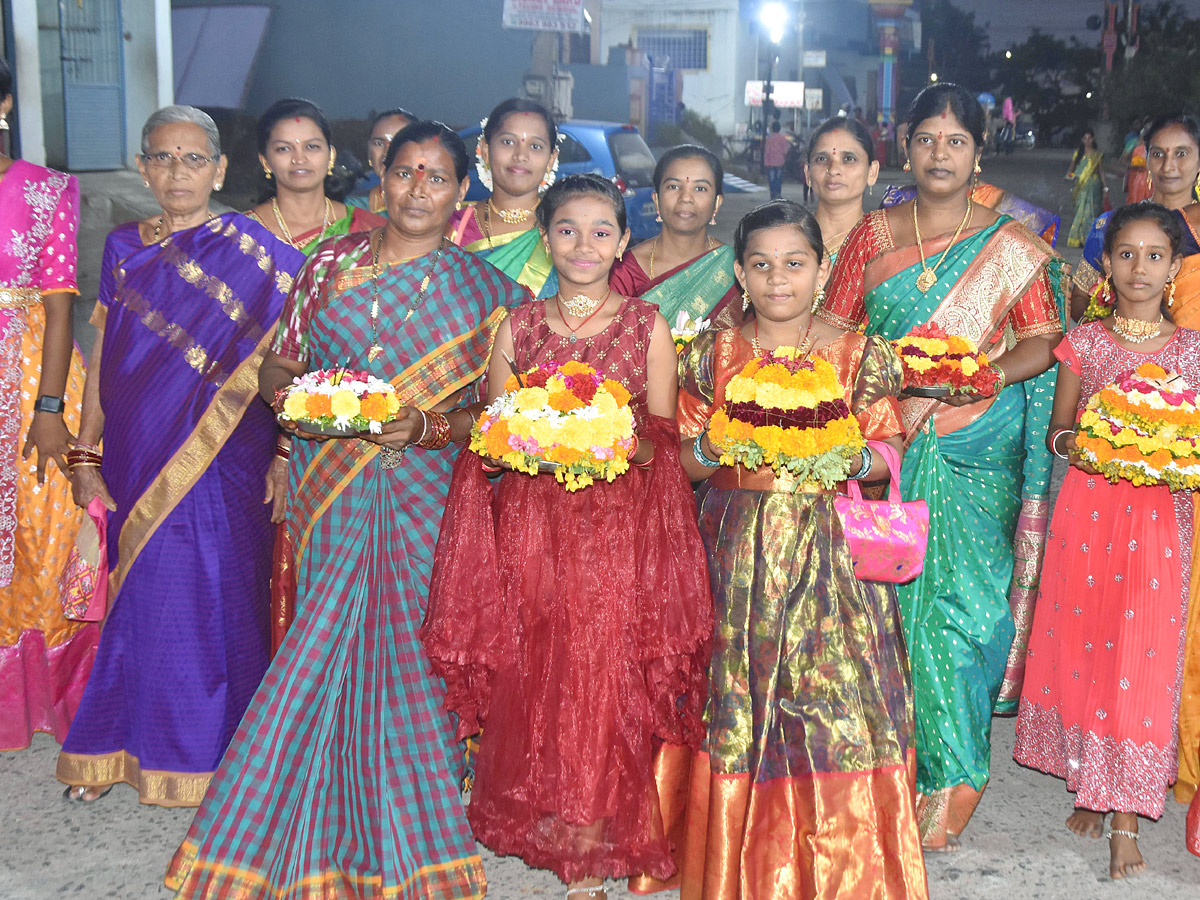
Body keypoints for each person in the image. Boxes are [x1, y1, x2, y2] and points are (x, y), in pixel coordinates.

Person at [166, 121, 525, 898]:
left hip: (427, 493)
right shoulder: (329, 265)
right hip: (329, 482)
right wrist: (296, 401)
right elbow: (281, 362)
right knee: (320, 646)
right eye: (405, 173)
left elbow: (499, 418)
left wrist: (428, 425)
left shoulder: (495, 295)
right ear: (380, 180)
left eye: (437, 177)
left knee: (409, 652)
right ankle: (280, 812)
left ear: (463, 192)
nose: (418, 189)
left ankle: (411, 819)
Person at [422, 173, 712, 900]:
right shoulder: (516, 327)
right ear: (545, 237)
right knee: (537, 668)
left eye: (602, 231)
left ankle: (588, 832)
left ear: (622, 241)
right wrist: (523, 437)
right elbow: (490, 432)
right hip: (530, 521)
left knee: (597, 672)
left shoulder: (645, 325)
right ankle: (540, 810)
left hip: (613, 529)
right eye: (567, 230)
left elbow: (662, 436)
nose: (584, 245)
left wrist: (611, 438)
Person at [630, 200, 927, 899]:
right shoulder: (713, 352)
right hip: (735, 552)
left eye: (794, 264)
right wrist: (713, 446)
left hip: (831, 559)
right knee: (735, 696)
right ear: (739, 272)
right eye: (760, 265)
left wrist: (846, 457)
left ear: (821, 271)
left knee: (830, 697)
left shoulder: (859, 353)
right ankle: (731, 860)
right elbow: (685, 462)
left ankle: (840, 868)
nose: (777, 279)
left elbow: (889, 449)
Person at [819, 83, 1067, 850]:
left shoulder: (1013, 245)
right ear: (906, 147)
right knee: (886, 614)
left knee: (963, 612)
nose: (939, 153)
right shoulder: (870, 234)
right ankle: (900, 766)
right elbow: (832, 332)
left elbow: (1041, 342)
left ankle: (957, 774)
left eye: (955, 141)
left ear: (979, 153)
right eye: (927, 139)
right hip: (887, 441)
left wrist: (983, 375)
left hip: (976, 443)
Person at [57, 105, 305, 805]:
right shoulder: (122, 247)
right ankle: (119, 746)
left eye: (194, 159)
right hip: (139, 442)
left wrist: (285, 452)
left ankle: (230, 754)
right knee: (143, 595)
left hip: (229, 450)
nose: (178, 173)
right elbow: (107, 353)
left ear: (221, 170)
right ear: (141, 167)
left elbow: (289, 364)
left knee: (221, 594)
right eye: (162, 158)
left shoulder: (264, 257)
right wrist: (85, 449)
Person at [1014, 203, 1198, 880]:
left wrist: (1165, 446)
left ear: (1175, 267)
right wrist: (1096, 439)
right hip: (1089, 510)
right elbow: (1058, 431)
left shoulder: (1193, 353)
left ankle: (1124, 818)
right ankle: (1093, 781)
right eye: (1126, 254)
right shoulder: (1083, 345)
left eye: (1155, 255)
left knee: (1142, 654)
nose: (1140, 268)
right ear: (1107, 264)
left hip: (1159, 519)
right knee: (1088, 646)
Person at [1072, 113, 1200, 823]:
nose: (1172, 162)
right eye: (1160, 153)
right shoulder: (1120, 247)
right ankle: (1103, 774)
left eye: (1185, 153)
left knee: (1169, 629)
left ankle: (1161, 777)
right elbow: (1085, 364)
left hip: (1178, 479)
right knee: (1100, 624)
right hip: (1105, 485)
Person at [0, 54, 96, 753]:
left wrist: (48, 406)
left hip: (32, 368)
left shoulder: (47, 190)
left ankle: (44, 697)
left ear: (5, 101)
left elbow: (61, 306)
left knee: (43, 531)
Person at [1072, 114, 1200, 322]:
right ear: (1146, 158)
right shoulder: (1111, 224)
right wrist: (1104, 335)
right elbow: (1079, 296)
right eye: (1158, 154)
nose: (1168, 166)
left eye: (1181, 153)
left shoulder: (1197, 226)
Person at [608, 144, 741, 328]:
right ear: (656, 199)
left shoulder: (734, 269)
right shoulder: (624, 272)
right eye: (673, 186)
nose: (685, 197)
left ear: (716, 203)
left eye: (700, 188)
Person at [448, 97, 560, 296]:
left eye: (535, 146)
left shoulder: (565, 230)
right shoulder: (452, 227)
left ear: (551, 159)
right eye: (508, 142)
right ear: (485, 149)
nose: (520, 155)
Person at [246, 97, 383, 254]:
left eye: (312, 146)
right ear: (265, 162)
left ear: (331, 156)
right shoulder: (241, 234)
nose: (299, 159)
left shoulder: (368, 229)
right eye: (283, 149)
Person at [803, 116, 880, 276]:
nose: (833, 169)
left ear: (872, 172)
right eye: (822, 159)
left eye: (849, 159)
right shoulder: (789, 240)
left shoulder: (883, 248)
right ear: (808, 173)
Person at [346, 107, 416, 215]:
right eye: (379, 143)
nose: (386, 152)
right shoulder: (353, 207)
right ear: (369, 151)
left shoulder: (442, 207)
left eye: (398, 143)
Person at [1066, 130, 1108, 248]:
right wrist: (1072, 178)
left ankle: (1089, 239)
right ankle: (1077, 238)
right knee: (1080, 211)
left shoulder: (1097, 155)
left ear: (1093, 139)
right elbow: (1071, 171)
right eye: (1085, 138)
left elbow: (1101, 172)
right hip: (1081, 187)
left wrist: (1105, 188)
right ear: (1082, 140)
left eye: (1090, 138)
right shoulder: (1078, 154)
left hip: (1094, 187)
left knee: (1091, 212)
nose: (1087, 141)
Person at [1121, 117, 1152, 205]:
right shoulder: (1133, 143)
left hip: (1152, 180)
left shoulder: (1155, 144)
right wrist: (1135, 166)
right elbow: (1123, 160)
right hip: (1135, 178)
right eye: (1146, 128)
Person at [763, 120, 789, 200]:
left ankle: (772, 195)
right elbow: (785, 151)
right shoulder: (782, 138)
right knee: (778, 179)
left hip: (770, 162)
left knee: (772, 179)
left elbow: (766, 151)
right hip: (780, 162)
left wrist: (765, 163)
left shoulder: (769, 139)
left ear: (772, 129)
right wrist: (785, 158)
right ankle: (778, 194)